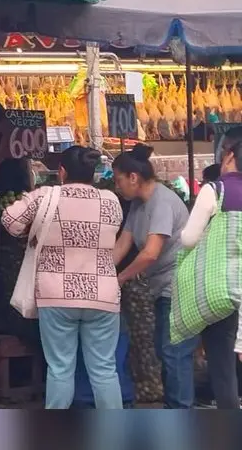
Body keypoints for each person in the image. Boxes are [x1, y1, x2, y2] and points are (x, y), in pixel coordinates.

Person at [2, 146, 124, 409]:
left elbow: (9, 220)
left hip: (56, 295)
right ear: (93, 173)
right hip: (102, 295)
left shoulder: (45, 196)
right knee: (104, 370)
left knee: (60, 369)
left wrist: (31, 234)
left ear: (62, 172)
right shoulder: (111, 201)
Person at [111, 143, 196, 409]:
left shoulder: (162, 202)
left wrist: (121, 277)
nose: (117, 186)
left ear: (133, 177)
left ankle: (181, 412)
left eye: (118, 180)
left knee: (174, 353)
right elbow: (122, 245)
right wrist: (101, 272)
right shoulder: (137, 206)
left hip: (181, 287)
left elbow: (150, 253)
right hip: (162, 288)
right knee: (166, 351)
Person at [181, 127, 242, 409]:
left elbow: (188, 239)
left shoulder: (214, 190)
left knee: (222, 364)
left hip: (222, 289)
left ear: (228, 156)